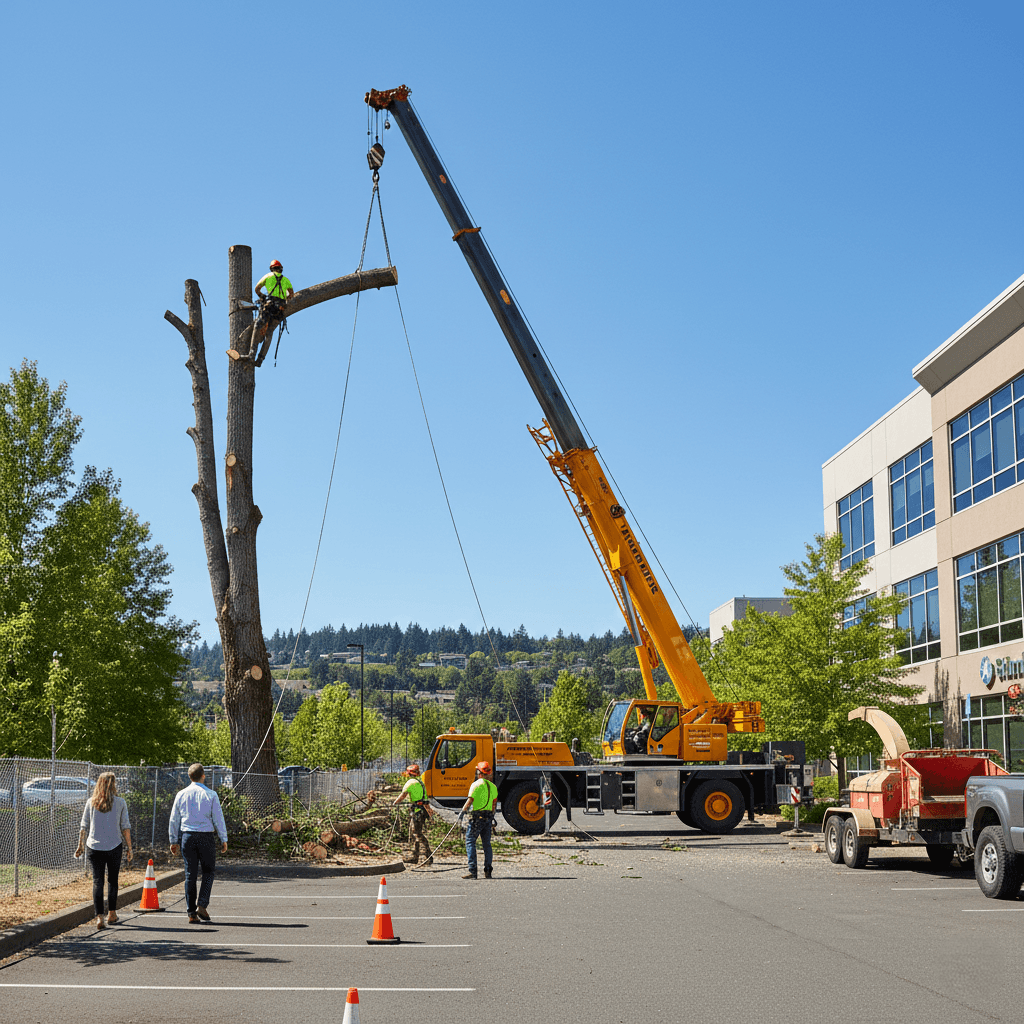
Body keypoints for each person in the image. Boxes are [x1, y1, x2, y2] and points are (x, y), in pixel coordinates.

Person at [169, 763, 228, 924]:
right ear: (203, 775)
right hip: (206, 837)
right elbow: (218, 818)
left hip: (187, 836)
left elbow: (174, 819)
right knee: (208, 871)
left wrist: (173, 840)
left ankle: (191, 912)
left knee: (190, 874)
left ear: (189, 777)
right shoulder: (211, 794)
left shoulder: (181, 794)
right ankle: (202, 904)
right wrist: (224, 838)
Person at [75, 772, 132, 929]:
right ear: (113, 784)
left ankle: (99, 917)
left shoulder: (91, 802)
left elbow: (83, 826)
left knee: (97, 881)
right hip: (114, 846)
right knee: (113, 880)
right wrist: (130, 847)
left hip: (93, 846)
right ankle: (112, 913)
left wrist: (80, 845)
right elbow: (125, 827)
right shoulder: (120, 802)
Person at [458, 761, 498, 880]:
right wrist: (490, 816)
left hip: (476, 818)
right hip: (488, 818)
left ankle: (473, 871)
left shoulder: (476, 785)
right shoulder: (493, 787)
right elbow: (494, 805)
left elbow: (470, 801)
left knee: (470, 841)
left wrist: (462, 813)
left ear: (479, 772)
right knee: (487, 844)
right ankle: (488, 871)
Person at [252, 259, 294, 364]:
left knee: (257, 325)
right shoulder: (286, 280)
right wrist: (284, 300)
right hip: (279, 309)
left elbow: (257, 289)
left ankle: (251, 353)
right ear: (281, 269)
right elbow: (291, 294)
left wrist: (263, 297)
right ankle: (260, 359)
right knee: (269, 333)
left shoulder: (268, 276)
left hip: (269, 306)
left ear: (272, 269)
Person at [393, 763, 434, 866]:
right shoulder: (420, 782)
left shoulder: (410, 782)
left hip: (417, 811)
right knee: (414, 832)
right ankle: (414, 856)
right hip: (422, 810)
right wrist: (430, 812)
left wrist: (395, 803)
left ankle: (427, 856)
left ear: (408, 773)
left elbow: (403, 795)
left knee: (417, 833)